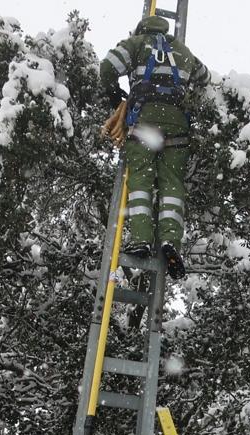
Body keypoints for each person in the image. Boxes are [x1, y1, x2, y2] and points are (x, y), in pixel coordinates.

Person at [99, 14, 211, 280]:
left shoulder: (136, 43)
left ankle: (141, 238)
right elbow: (204, 78)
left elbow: (107, 68)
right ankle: (170, 239)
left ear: (142, 28)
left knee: (141, 181)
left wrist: (118, 98)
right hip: (177, 124)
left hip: (145, 121)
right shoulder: (183, 51)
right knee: (172, 184)